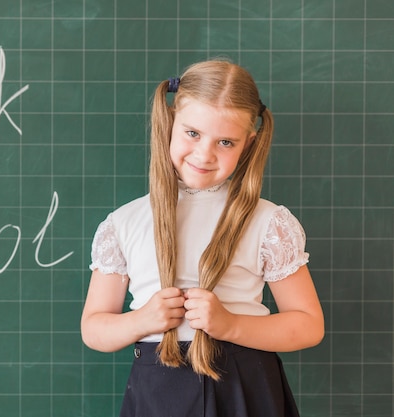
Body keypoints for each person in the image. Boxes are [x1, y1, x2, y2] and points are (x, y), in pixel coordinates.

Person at [80, 59, 324, 417]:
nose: (204, 154)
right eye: (192, 133)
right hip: (157, 388)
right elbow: (94, 327)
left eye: (226, 141)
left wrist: (230, 325)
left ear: (249, 143)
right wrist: (143, 319)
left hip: (245, 385)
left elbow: (307, 324)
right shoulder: (124, 223)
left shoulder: (268, 222)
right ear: (170, 121)